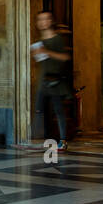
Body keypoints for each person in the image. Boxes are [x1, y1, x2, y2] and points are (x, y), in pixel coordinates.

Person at [31, 9, 71, 149]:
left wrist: (47, 52)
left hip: (56, 81)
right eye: (40, 19)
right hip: (44, 81)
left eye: (46, 19)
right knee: (40, 110)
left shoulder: (57, 38)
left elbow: (65, 57)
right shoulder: (40, 42)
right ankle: (45, 139)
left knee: (59, 111)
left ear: (51, 21)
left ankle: (63, 140)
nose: (43, 22)